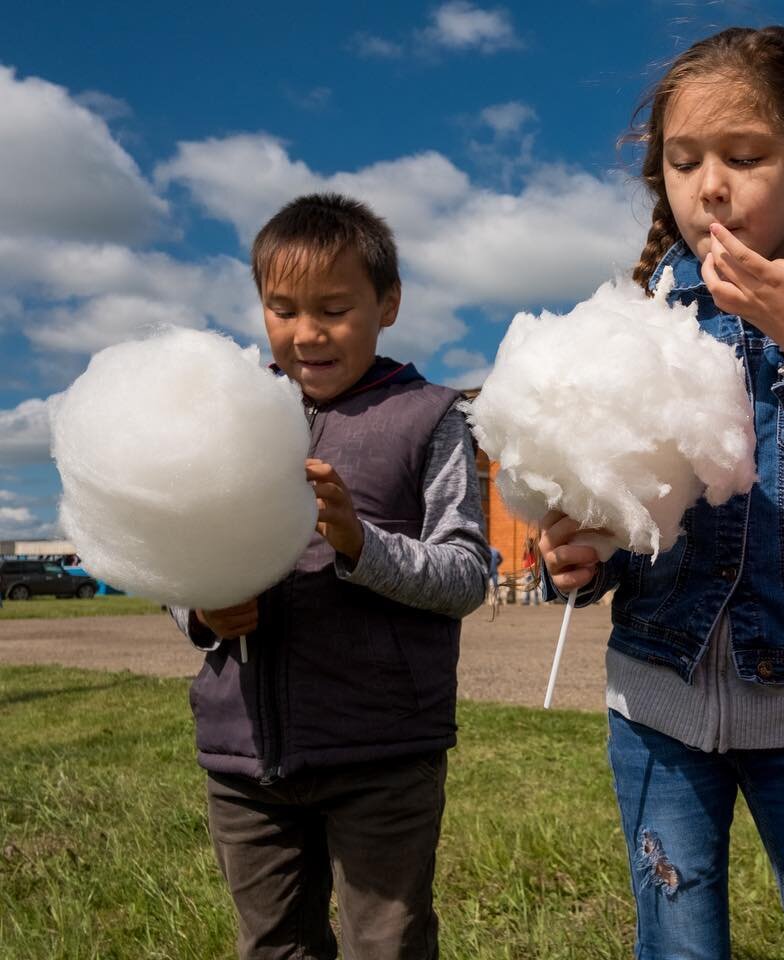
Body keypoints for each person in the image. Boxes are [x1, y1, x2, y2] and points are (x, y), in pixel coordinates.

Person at [538, 25, 784, 959]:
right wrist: (581, 556)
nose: (709, 185)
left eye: (744, 156)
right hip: (658, 703)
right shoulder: (632, 325)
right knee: (677, 942)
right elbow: (611, 517)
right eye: (684, 162)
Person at [169, 193, 489, 960]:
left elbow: (468, 572)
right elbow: (176, 551)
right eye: (281, 309)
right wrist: (203, 612)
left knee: (388, 942)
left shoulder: (433, 416)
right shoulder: (230, 413)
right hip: (245, 755)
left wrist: (359, 544)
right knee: (272, 944)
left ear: (388, 304)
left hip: (380, 752)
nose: (305, 333)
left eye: (334, 308)